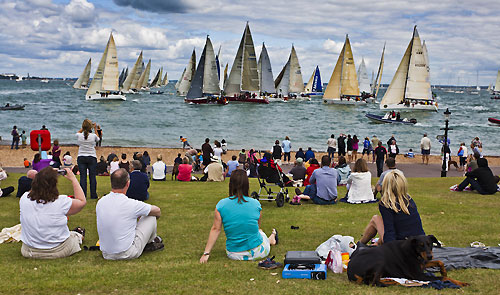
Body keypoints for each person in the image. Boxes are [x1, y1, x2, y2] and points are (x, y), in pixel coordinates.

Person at [199, 170, 277, 263]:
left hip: (234, 254)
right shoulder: (256, 204)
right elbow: (256, 226)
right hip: (258, 252)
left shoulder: (221, 205)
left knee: (259, 232)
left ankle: (270, 239)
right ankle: (270, 239)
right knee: (260, 232)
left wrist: (206, 253)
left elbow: (216, 229)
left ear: (231, 184)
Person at [19, 167, 87, 259]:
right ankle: (79, 235)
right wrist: (73, 179)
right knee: (74, 236)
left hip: (29, 250)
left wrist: (45, 174)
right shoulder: (61, 201)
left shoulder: (24, 199)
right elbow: (81, 201)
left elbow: (35, 191)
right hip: (57, 250)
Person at [96, 169, 163, 260]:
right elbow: (157, 211)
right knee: (151, 216)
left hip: (106, 253)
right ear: (128, 184)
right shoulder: (131, 204)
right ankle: (151, 242)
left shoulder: (101, 202)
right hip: (127, 252)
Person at [359, 170, 425, 245]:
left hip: (401, 244)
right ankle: (365, 244)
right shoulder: (409, 200)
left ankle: (359, 244)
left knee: (375, 219)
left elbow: (389, 230)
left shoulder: (386, 204)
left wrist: (390, 248)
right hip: (418, 241)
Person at [76, 119, 100, 199]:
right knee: (92, 177)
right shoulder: (93, 136)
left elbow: (78, 133)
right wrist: (95, 128)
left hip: (81, 156)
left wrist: (83, 128)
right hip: (91, 157)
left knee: (83, 177)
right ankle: (93, 195)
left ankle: (83, 195)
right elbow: (98, 139)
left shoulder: (79, 135)